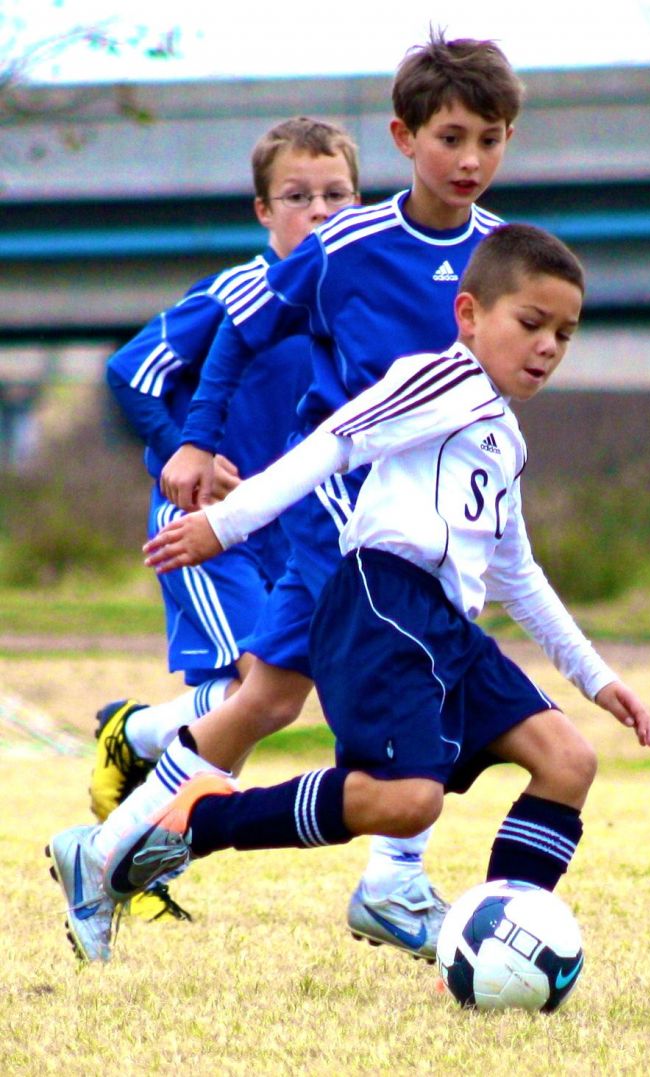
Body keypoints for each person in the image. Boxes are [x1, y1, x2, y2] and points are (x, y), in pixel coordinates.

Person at [50, 223, 650, 968]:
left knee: (568, 761)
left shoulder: (504, 432)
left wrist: (599, 677)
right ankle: (203, 819)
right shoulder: (438, 376)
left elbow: (516, 570)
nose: (548, 347)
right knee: (408, 799)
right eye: (531, 323)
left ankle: (490, 948)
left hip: (448, 626)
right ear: (467, 315)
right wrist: (223, 524)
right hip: (382, 604)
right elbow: (333, 440)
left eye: (564, 334)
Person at [80, 30, 524, 961]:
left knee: (270, 703)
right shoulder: (350, 245)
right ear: (407, 139)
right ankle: (125, 845)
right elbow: (237, 332)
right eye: (452, 136)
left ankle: (117, 845)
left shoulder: (501, 253)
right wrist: (194, 439)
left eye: (490, 138)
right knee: (274, 697)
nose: (471, 158)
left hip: (431, 525)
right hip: (340, 519)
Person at [94, 116, 361, 925]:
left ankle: (136, 753)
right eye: (297, 196)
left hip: (292, 535)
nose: (317, 211)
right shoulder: (239, 292)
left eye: (336, 194)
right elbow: (130, 367)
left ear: (360, 200)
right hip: (207, 529)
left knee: (268, 699)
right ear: (261, 211)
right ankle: (134, 765)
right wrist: (184, 450)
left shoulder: (353, 302)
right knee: (255, 690)